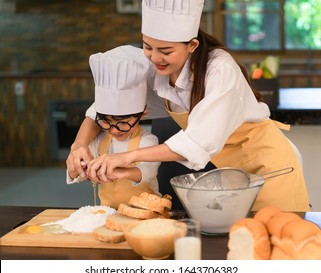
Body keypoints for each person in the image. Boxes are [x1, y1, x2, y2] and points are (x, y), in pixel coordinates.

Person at [67, 0, 309, 212]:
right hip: (231, 173)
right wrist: (79, 145)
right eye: (147, 46)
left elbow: (195, 141)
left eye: (165, 50)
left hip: (271, 170)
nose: (154, 58)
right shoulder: (156, 65)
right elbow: (105, 104)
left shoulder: (220, 70)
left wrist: (128, 157)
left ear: (191, 45)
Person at [66, 45, 160, 209]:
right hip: (109, 212)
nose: (115, 130)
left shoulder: (148, 140)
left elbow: (149, 171)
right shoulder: (99, 141)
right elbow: (76, 174)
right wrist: (77, 166)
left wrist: (120, 172)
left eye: (123, 123)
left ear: (143, 114)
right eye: (106, 122)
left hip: (144, 211)